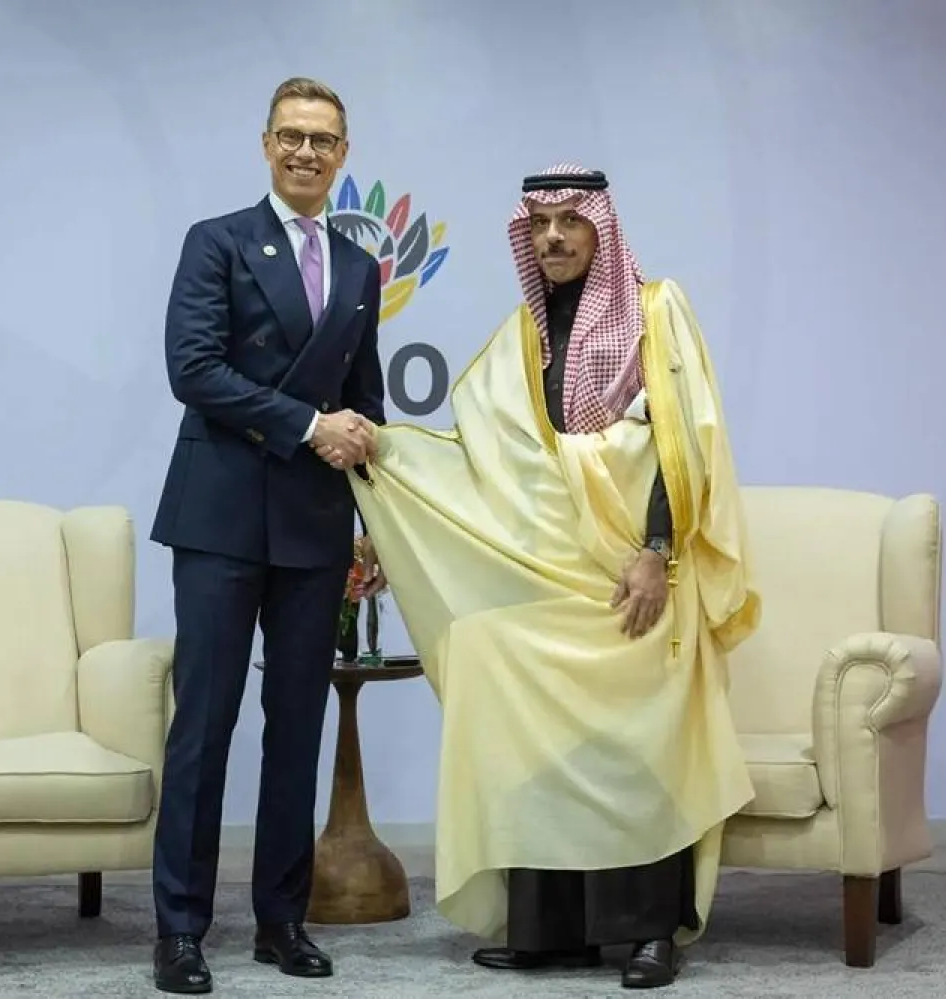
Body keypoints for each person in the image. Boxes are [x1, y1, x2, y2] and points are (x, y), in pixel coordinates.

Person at [353, 163, 760, 989]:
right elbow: (489, 461)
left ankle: (650, 929)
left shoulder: (657, 313)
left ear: (601, 229)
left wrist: (657, 553)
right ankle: (552, 928)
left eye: (570, 221)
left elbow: (683, 446)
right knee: (494, 659)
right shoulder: (524, 336)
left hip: (640, 575)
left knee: (641, 722)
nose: (553, 238)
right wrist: (379, 460)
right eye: (538, 225)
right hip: (559, 577)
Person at [147, 76, 384, 995]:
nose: (306, 153)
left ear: (344, 154)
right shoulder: (216, 242)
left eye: (324, 140)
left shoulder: (362, 269)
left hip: (317, 529)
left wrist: (366, 471)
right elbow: (193, 370)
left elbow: (364, 399)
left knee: (297, 728)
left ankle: (282, 920)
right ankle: (179, 929)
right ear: (265, 144)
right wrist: (306, 425)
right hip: (218, 518)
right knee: (204, 727)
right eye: (291, 136)